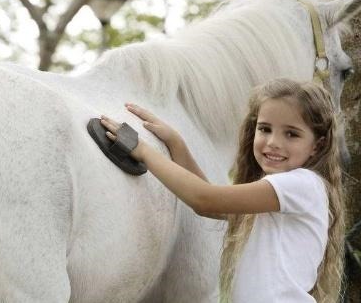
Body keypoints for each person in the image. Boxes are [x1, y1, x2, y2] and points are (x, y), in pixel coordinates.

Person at [99, 78, 345, 303]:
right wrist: (176, 143)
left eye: (291, 134)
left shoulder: (300, 184)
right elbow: (210, 199)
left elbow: (205, 200)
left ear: (317, 145)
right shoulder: (284, 192)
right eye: (265, 129)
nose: (273, 142)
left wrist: (142, 150)